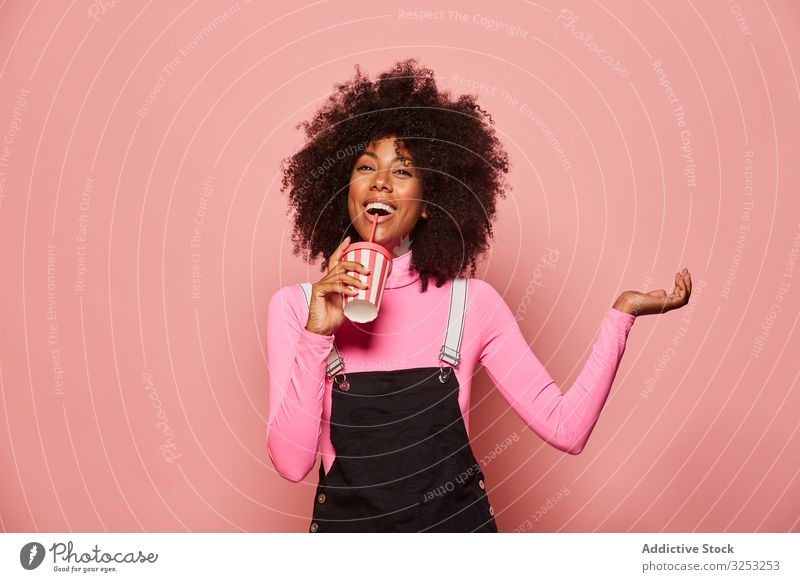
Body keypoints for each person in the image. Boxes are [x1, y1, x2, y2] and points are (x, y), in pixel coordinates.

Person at [266, 59, 692, 533]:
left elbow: (567, 430)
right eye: (365, 166)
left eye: (403, 170)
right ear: (344, 188)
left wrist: (621, 317)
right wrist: (317, 335)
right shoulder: (294, 308)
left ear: (431, 203)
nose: (380, 181)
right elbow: (290, 464)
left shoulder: (472, 306)